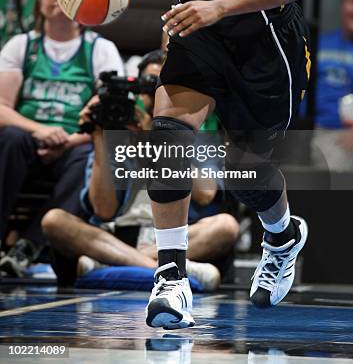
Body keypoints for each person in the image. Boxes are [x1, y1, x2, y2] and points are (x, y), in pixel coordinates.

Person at [71, 0, 310, 327]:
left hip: (264, 43)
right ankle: (172, 278)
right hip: (198, 35)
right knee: (167, 134)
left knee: (244, 173)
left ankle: (284, 234)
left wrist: (220, 5)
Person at [41, 51, 239, 291]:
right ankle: (167, 267)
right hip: (115, 235)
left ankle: (113, 264)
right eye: (149, 89)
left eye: (163, 88)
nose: (156, 97)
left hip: (174, 236)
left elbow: (206, 194)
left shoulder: (193, 129)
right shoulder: (116, 131)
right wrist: (99, 136)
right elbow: (104, 210)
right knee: (54, 221)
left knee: (226, 226)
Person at [0, 0, 124, 276]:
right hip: (28, 136)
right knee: (10, 139)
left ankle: (29, 244)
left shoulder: (100, 49)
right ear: (40, 4)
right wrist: (40, 131)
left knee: (89, 157)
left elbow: (109, 114)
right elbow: (2, 107)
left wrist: (68, 140)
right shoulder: (21, 45)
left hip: (75, 142)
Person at [311, 0, 353, 170]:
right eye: (352, 2)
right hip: (315, 130)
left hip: (342, 135)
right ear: (342, 6)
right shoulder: (321, 44)